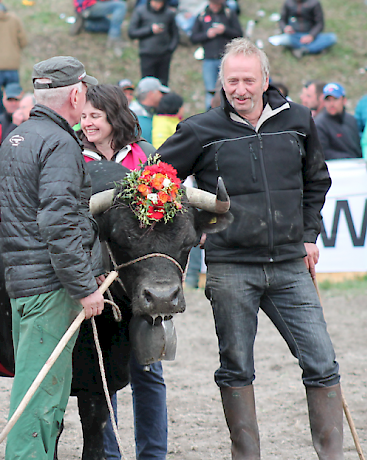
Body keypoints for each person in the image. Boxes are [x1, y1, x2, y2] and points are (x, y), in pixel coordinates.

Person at [157, 38, 342, 459]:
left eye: (248, 80)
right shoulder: (199, 129)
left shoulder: (298, 120)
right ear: (220, 82)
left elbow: (317, 181)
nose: (240, 89)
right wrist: (194, 225)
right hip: (230, 269)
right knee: (236, 367)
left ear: (265, 80)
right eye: (231, 81)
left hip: (290, 267)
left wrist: (310, 235)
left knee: (322, 363)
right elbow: (155, 184)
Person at [0, 55, 104, 460]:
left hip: (22, 284)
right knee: (41, 398)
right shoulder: (60, 144)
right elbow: (58, 225)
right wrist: (84, 287)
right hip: (51, 288)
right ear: (76, 94)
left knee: (33, 388)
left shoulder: (17, 138)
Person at [78, 83, 166, 460]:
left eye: (95, 116)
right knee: (101, 376)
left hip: (141, 285)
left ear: (114, 116)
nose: (87, 123)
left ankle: (152, 455)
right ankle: (109, 455)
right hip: (97, 287)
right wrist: (91, 271)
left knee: (149, 373)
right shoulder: (72, 157)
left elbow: (163, 217)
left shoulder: (146, 156)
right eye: (82, 116)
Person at [190, 0, 242, 110]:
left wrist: (225, 30)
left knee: (228, 89)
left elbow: (239, 34)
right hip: (209, 59)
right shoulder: (202, 15)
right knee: (210, 91)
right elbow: (193, 37)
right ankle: (210, 116)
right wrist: (207, 34)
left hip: (226, 59)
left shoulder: (229, 13)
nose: (215, 7)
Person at [128, 0, 179, 86]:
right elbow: (132, 32)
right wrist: (150, 30)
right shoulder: (140, 11)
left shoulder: (168, 13)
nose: (158, 6)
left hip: (164, 54)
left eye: (160, 3)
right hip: (147, 53)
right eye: (155, 2)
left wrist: (170, 49)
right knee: (147, 84)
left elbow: (175, 34)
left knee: (163, 84)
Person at [314, 83, 361, 160]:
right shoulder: (319, 124)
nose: (331, 104)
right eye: (328, 100)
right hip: (334, 168)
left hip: (357, 166)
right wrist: (348, 157)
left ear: (344, 100)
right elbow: (322, 152)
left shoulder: (351, 120)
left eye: (335, 99)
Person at [129, 76, 170, 143]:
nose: (162, 96)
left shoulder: (151, 113)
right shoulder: (133, 117)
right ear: (151, 94)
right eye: (160, 92)